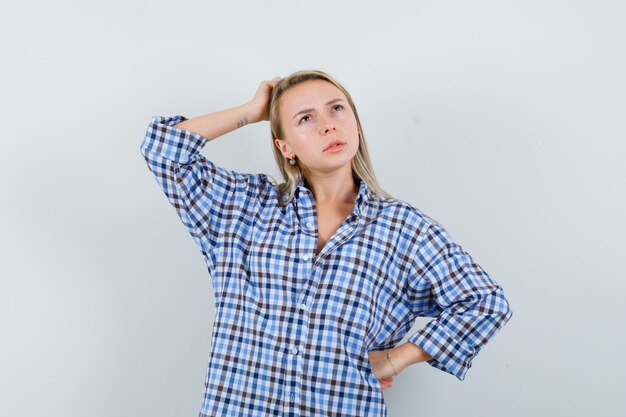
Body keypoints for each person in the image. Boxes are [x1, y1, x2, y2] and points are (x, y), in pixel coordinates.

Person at [139, 69, 513, 417]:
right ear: (285, 147)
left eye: (336, 109)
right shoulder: (242, 208)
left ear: (355, 124)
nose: (328, 125)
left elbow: (484, 302)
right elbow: (163, 148)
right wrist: (254, 111)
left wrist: (396, 359)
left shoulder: (404, 229)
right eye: (306, 118)